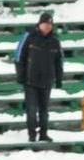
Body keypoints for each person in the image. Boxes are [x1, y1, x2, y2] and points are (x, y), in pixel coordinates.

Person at [16, 11, 61, 143]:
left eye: (50, 24)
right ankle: (31, 134)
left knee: (44, 110)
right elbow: (19, 56)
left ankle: (43, 133)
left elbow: (58, 61)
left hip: (47, 81)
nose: (48, 26)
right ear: (40, 24)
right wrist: (21, 76)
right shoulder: (29, 36)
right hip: (31, 80)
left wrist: (58, 78)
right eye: (45, 23)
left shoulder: (55, 40)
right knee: (31, 109)